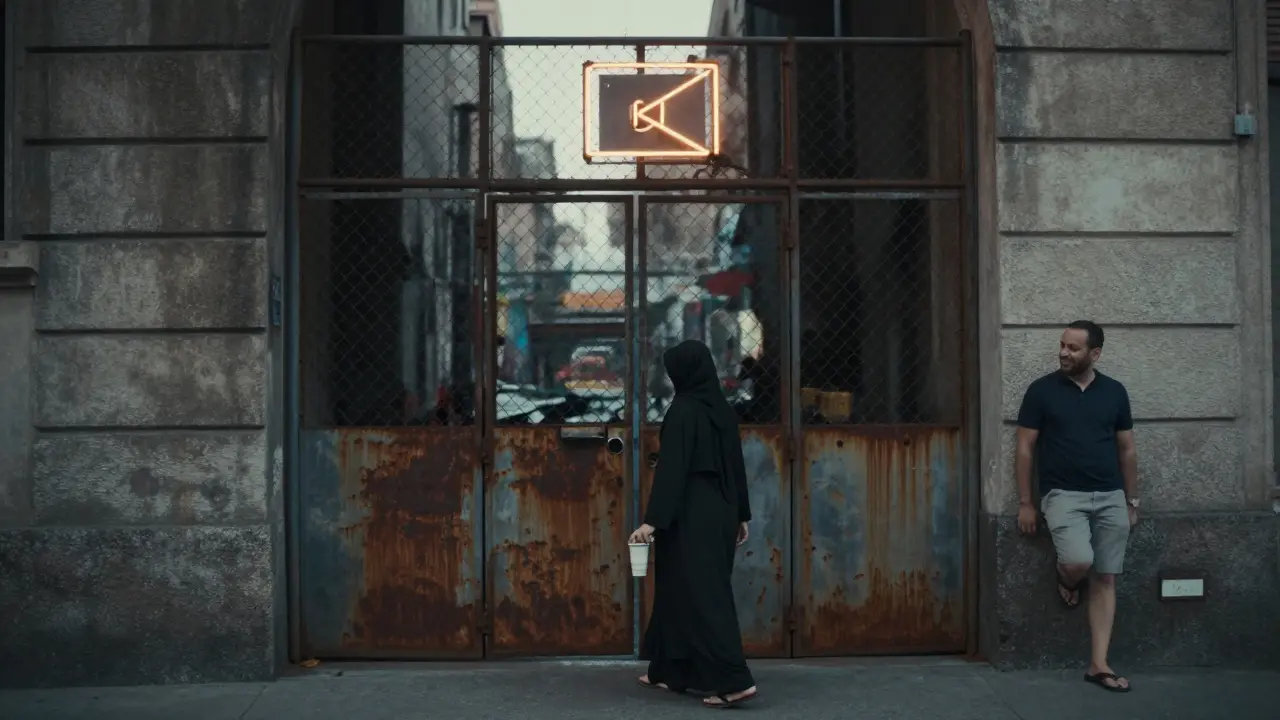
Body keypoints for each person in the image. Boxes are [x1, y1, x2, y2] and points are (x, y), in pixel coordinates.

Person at [629, 339, 759, 709]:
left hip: (691, 514)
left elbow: (673, 471)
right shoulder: (721, 409)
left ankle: (734, 680)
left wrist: (652, 523)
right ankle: (671, 670)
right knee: (678, 586)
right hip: (721, 512)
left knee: (704, 595)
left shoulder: (683, 411)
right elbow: (735, 466)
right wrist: (742, 515)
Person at [1014, 321, 1139, 694]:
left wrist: (1132, 501)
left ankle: (1098, 664)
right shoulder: (1041, 391)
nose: (1064, 353)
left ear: (1095, 354)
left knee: (1106, 577)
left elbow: (1127, 450)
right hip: (1062, 495)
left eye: (1073, 348)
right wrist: (1026, 502)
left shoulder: (1115, 392)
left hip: (1110, 495)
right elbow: (1024, 449)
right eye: (1062, 346)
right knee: (1078, 561)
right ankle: (1067, 579)